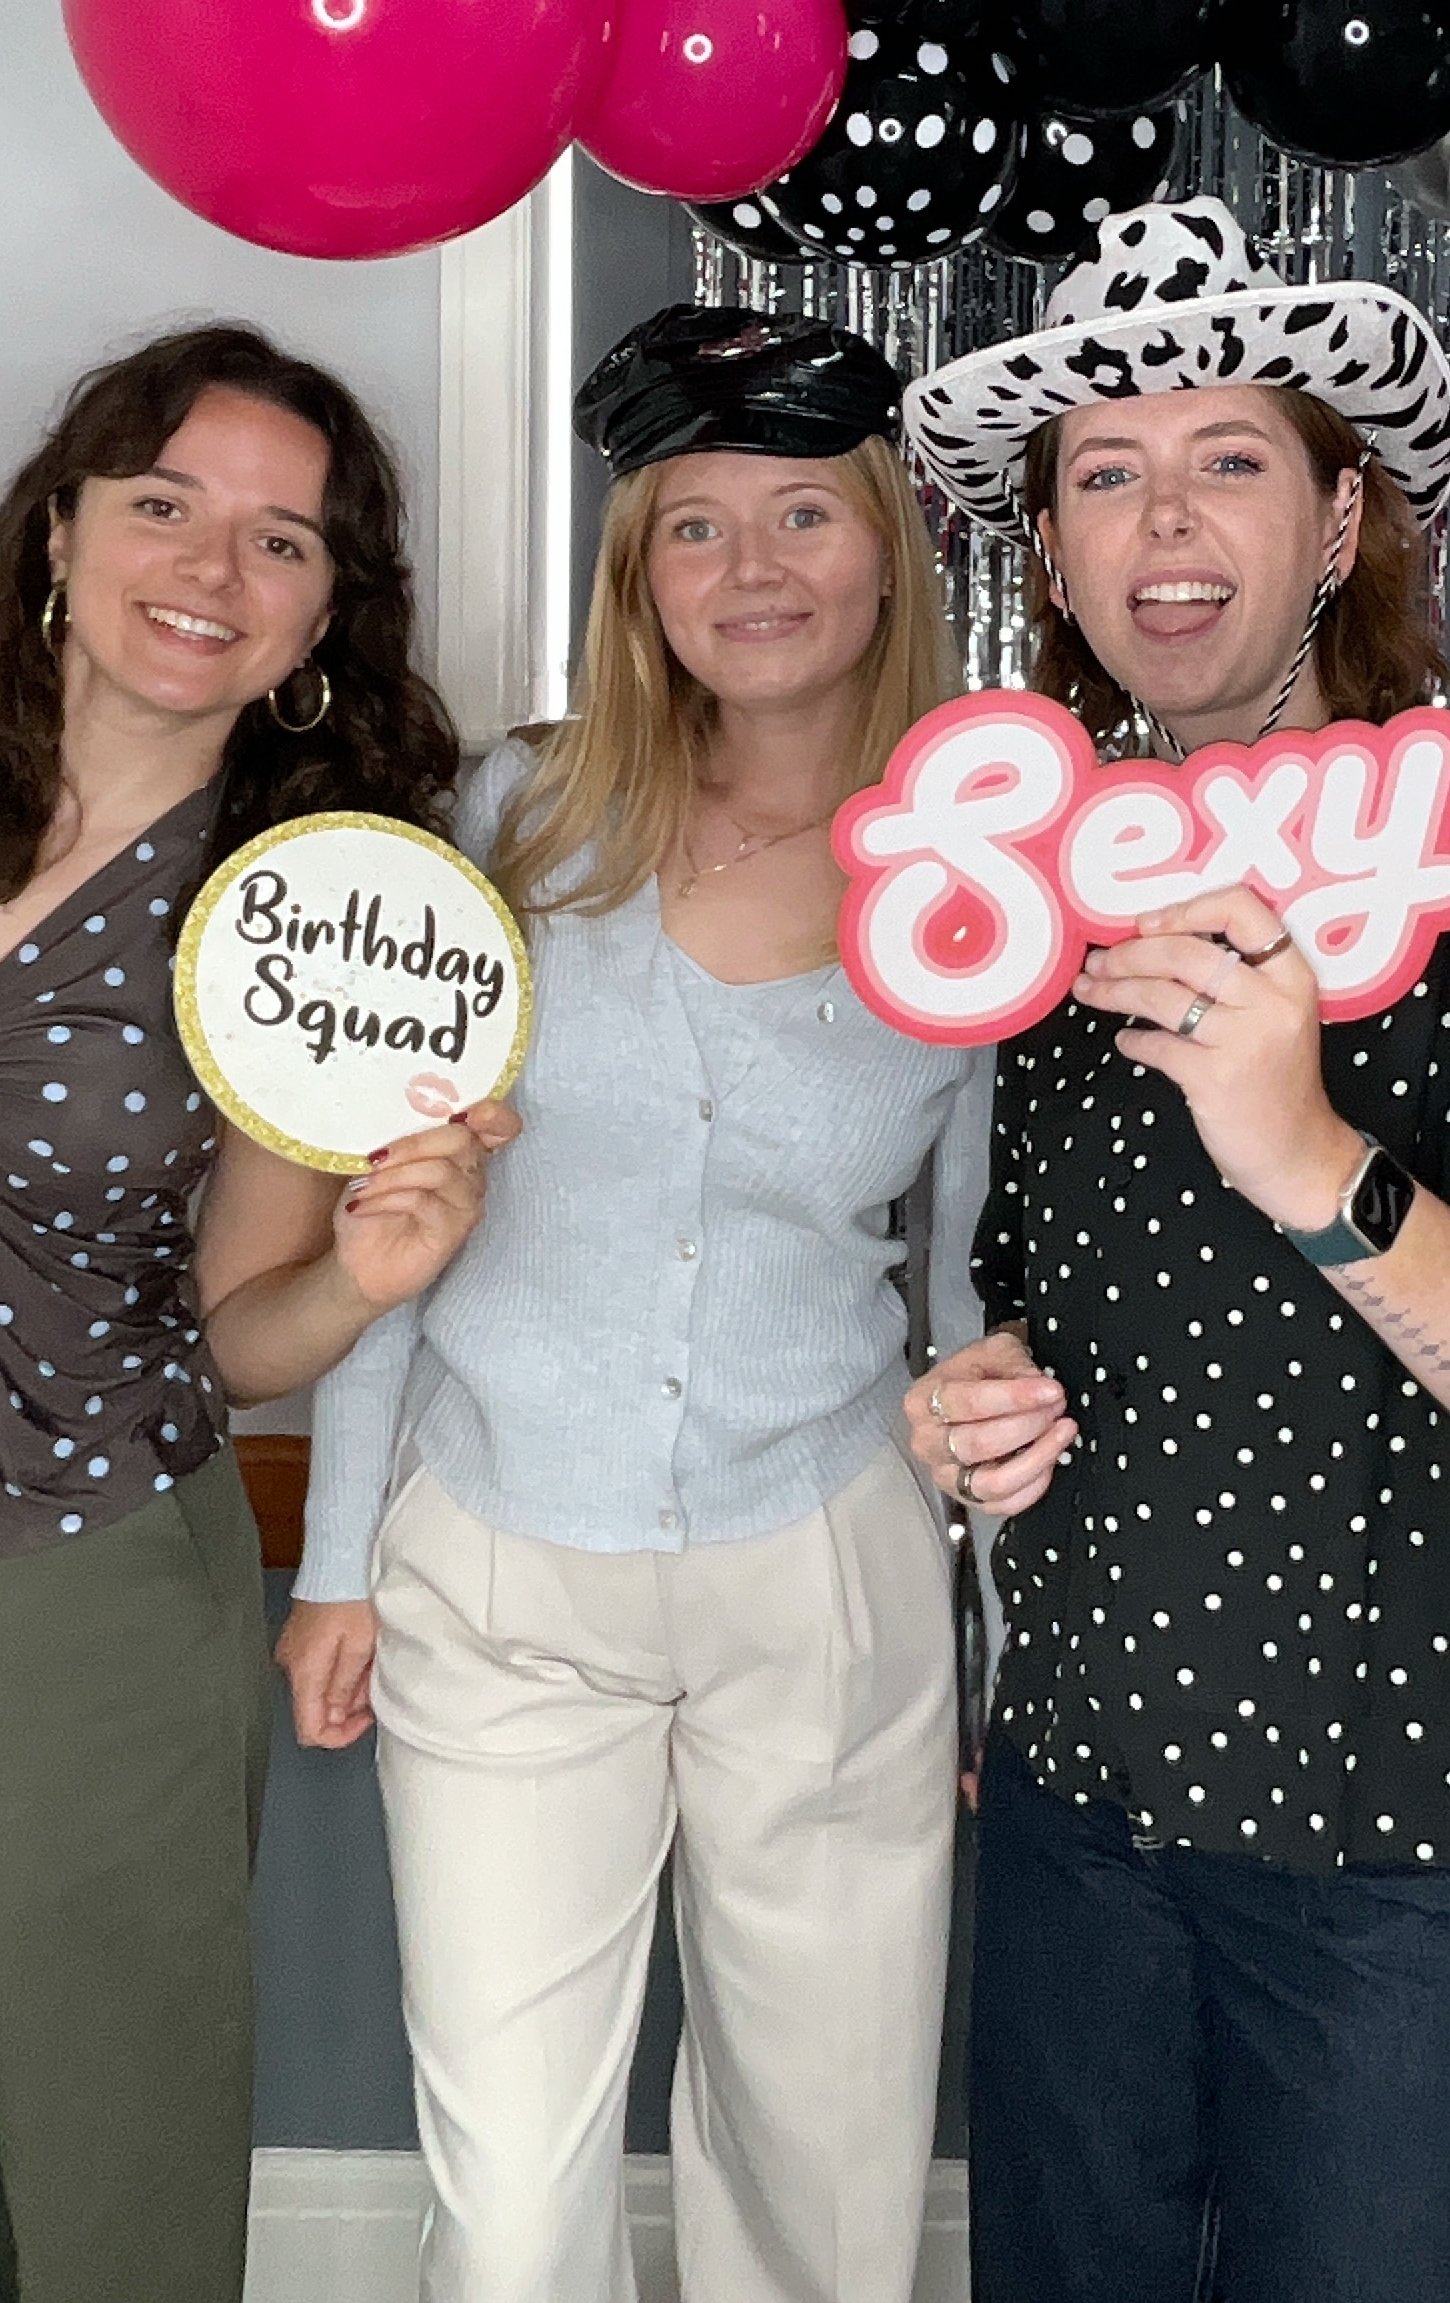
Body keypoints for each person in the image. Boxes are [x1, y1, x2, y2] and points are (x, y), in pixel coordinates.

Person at [897, 199, 1450, 2303]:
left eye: (1230, 455)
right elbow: (1036, 1291)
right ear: (1051, 552)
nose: (1164, 516)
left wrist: (1305, 1147)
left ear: (1335, 521)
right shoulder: (1034, 905)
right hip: (1087, 1810)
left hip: (1426, 1843)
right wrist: (971, 1409)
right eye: (1105, 474)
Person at [278, 305, 992, 2303]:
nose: (752, 571)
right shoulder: (506, 824)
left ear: (884, 549)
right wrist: (336, 1555)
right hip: (499, 1568)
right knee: (510, 2201)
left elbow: (969, 1288)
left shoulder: (973, 881)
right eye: (694, 525)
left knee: (822, 2172)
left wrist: (980, 1625)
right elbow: (392, 1207)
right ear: (634, 571)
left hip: (824, 1579)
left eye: (800, 515)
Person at [0, 324, 510, 2303]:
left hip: (61, 1598)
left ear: (327, 612)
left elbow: (238, 1326)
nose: (209, 565)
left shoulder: (300, 913)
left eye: (281, 540)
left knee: (96, 2160)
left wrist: (367, 1272)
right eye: (164, 502)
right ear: (61, 526)